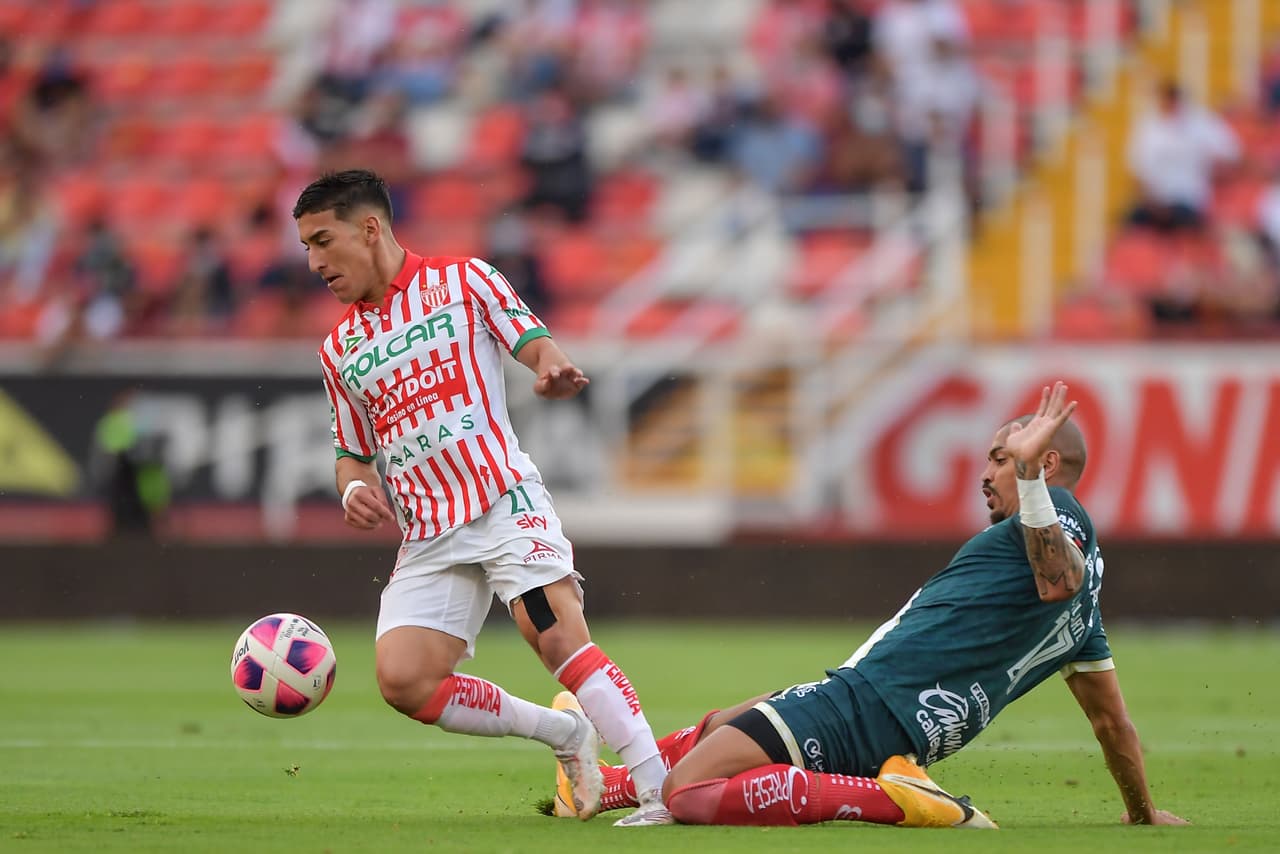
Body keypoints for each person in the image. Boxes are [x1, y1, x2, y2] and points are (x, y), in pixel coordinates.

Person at [550, 382, 1189, 829]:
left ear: (1046, 463)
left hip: (866, 708)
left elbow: (1058, 579)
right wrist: (1139, 812)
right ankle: (607, 786)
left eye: (1002, 459)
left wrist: (1027, 481)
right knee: (725, 727)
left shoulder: (1058, 516)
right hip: (890, 715)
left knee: (687, 793)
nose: (987, 474)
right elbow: (1111, 724)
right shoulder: (1084, 624)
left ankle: (898, 801)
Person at [294, 169, 670, 826]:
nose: (314, 261)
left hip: (500, 500)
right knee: (405, 681)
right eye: (306, 247)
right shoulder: (339, 349)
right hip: (429, 535)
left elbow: (532, 338)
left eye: (323, 240)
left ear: (370, 228)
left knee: (552, 636)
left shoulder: (464, 281)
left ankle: (658, 790)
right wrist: (354, 486)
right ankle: (565, 735)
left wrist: (549, 366)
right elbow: (350, 453)